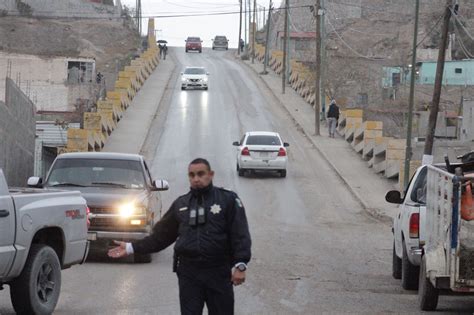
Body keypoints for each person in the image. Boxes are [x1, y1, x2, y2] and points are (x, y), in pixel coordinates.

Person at [108, 158, 252, 315]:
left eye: (200, 174)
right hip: (189, 273)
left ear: (210, 175)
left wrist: (240, 265)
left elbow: (240, 234)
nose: (196, 178)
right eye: (191, 175)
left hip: (217, 271)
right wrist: (131, 247)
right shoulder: (181, 204)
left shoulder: (228, 200)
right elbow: (160, 237)